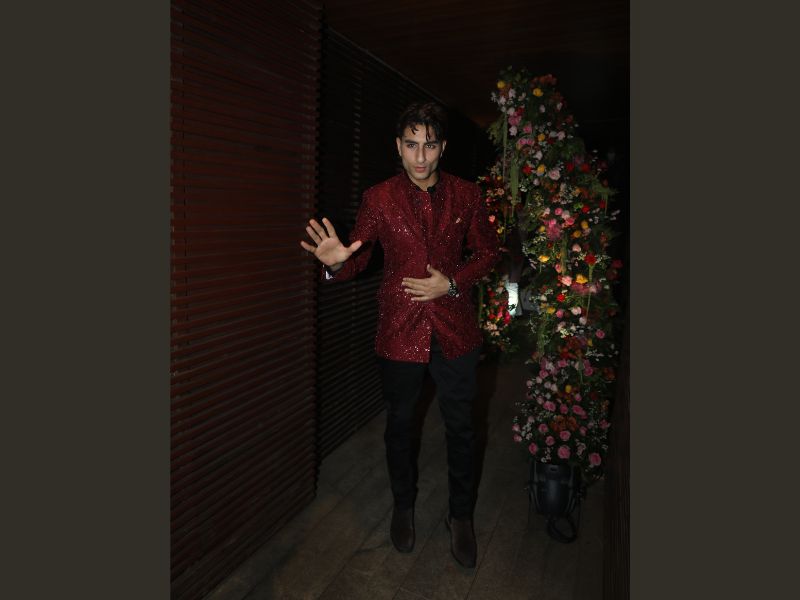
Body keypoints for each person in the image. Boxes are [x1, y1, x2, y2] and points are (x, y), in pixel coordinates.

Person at [300, 101, 499, 568]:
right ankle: (403, 506)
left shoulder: (468, 195)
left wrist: (452, 283)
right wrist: (338, 264)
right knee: (400, 427)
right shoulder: (379, 198)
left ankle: (461, 516)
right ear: (398, 146)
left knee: (462, 428)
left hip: (454, 328)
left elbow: (488, 253)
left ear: (442, 147)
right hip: (399, 330)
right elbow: (359, 256)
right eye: (411, 145)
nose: (420, 156)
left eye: (429, 145)